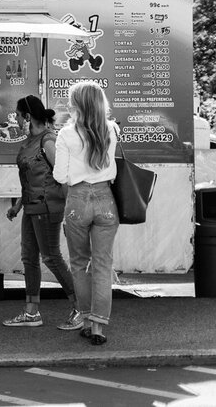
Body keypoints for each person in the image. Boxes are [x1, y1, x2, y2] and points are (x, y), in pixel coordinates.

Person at [2, 95, 81, 331]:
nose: (15, 119)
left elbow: (64, 175)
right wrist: (18, 205)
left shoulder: (48, 141)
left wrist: (71, 209)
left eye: (17, 115)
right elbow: (29, 178)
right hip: (31, 207)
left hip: (48, 207)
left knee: (51, 257)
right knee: (29, 258)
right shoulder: (29, 141)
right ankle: (32, 312)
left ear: (27, 116)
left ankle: (81, 308)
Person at [53, 80, 119, 346]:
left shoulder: (66, 135)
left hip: (78, 200)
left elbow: (59, 175)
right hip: (106, 200)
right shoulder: (112, 129)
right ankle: (98, 328)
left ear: (77, 105)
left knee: (80, 264)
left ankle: (85, 317)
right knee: (103, 265)